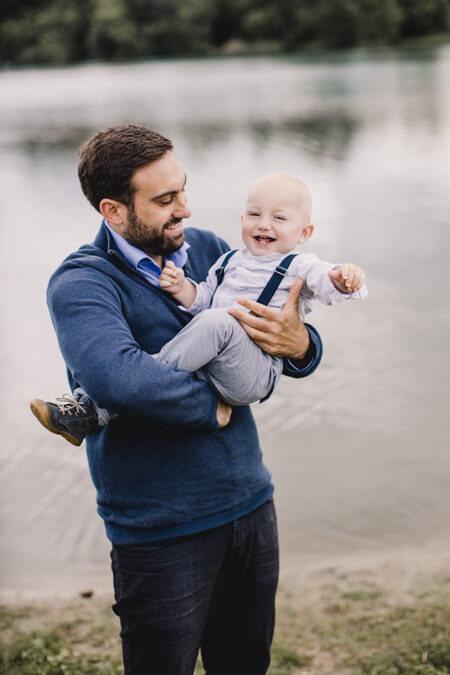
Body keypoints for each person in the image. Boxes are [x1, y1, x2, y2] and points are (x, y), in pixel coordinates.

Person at [32, 123, 324, 675]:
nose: (184, 209)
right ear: (113, 211)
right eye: (165, 199)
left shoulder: (213, 252)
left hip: (249, 505)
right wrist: (208, 408)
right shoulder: (82, 284)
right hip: (159, 531)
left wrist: (302, 345)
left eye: (183, 190)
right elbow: (119, 380)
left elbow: (279, 333)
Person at [31, 172, 366, 446]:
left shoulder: (296, 263)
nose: (264, 225)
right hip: (154, 514)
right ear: (114, 209)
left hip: (252, 390)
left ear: (304, 232)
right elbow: (203, 301)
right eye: (254, 215)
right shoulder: (83, 281)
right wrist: (181, 288)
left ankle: (93, 408)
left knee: (217, 323)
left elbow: (323, 287)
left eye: (278, 218)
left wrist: (306, 337)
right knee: (214, 320)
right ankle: (92, 408)